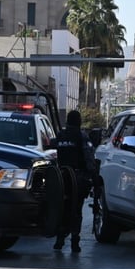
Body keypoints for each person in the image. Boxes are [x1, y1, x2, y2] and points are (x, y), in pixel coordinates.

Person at [53, 109, 96, 254]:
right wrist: (92, 175)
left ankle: (60, 239)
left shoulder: (60, 136)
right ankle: (74, 241)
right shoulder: (81, 136)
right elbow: (89, 157)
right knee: (76, 210)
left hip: (61, 178)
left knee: (63, 208)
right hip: (78, 178)